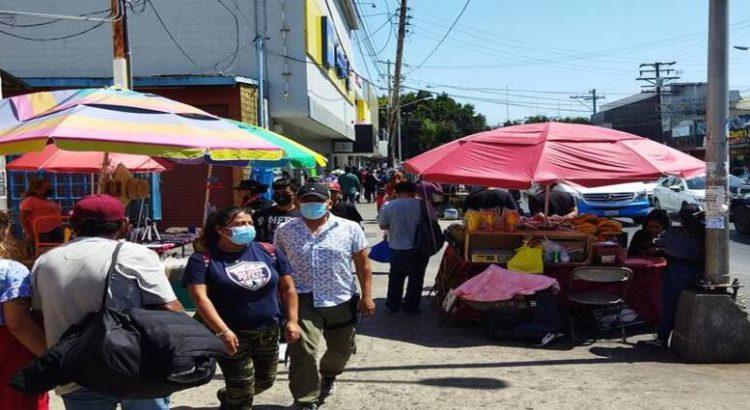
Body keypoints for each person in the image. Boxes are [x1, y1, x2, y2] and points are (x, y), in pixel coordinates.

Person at [31, 194, 183, 410]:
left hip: (76, 371)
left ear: (73, 224)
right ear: (124, 225)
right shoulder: (135, 254)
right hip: (136, 368)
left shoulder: (46, 261)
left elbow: (38, 317)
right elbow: (169, 308)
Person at [183, 207, 301, 409]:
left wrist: (292, 321)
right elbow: (200, 298)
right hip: (231, 335)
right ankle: (236, 399)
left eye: (249, 223)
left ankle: (229, 396)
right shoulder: (203, 259)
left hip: (268, 331)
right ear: (220, 229)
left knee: (265, 381)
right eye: (239, 224)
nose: (246, 228)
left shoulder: (268, 251)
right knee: (244, 391)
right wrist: (222, 331)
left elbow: (288, 288)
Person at [274, 182, 375, 410]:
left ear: (329, 203)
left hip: (339, 296)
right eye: (306, 200)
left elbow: (363, 266)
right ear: (298, 203)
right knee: (303, 350)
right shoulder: (285, 231)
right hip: (302, 299)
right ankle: (305, 400)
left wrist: (367, 296)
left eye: (317, 201)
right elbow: (279, 266)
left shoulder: (350, 228)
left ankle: (329, 374)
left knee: (342, 350)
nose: (312, 205)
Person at [0, 210, 48, 410]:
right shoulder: (11, 271)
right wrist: (50, 357)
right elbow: (18, 324)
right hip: (9, 355)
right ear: (4, 231)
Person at [652, 203, 705, 347]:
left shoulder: (674, 233)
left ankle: (662, 338)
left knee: (669, 306)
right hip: (700, 275)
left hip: (677, 273)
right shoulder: (705, 233)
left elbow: (659, 242)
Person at [378, 181, 431, 313]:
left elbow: (383, 225)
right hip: (419, 248)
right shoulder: (423, 204)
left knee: (396, 277)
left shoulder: (389, 205)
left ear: (396, 192)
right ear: (414, 192)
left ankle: (393, 305)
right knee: (416, 279)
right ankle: (411, 306)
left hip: (397, 248)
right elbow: (433, 222)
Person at [253, 178, 301, 243]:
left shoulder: (303, 215)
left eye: (285, 192)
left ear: (295, 194)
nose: (280, 195)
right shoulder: (261, 214)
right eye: (277, 192)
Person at [20, 178, 63, 243]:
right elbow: (23, 218)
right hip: (41, 232)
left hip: (55, 230)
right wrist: (29, 233)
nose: (50, 189)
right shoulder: (30, 200)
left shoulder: (47, 201)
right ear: (37, 189)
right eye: (47, 187)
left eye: (50, 187)